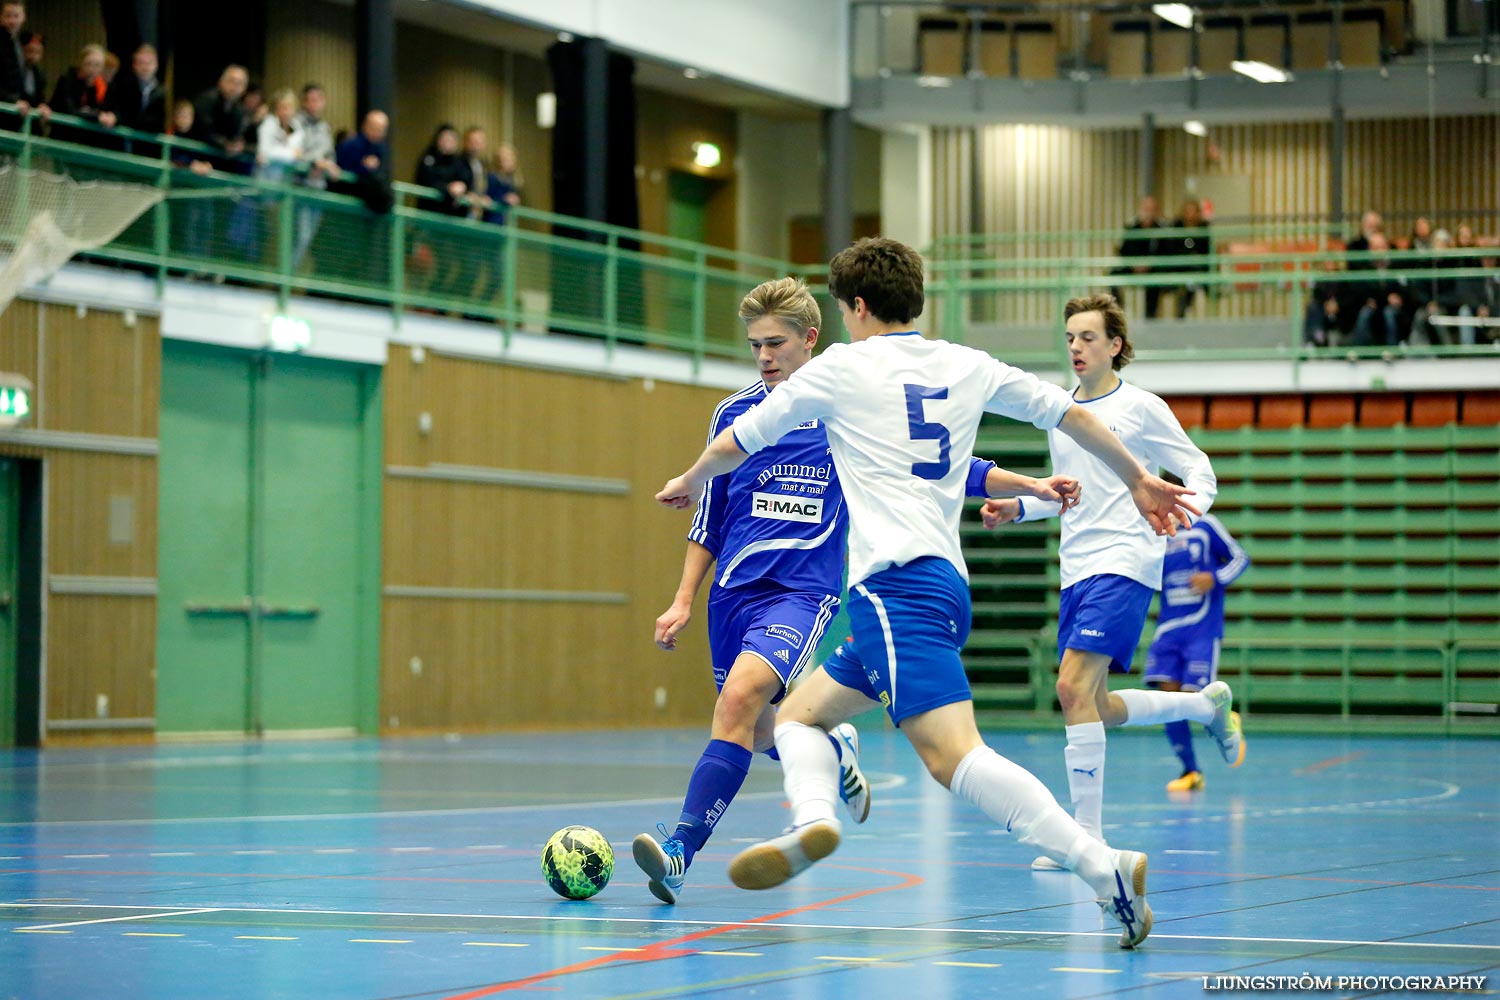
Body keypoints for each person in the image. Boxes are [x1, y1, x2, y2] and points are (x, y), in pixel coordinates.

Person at [658, 238, 1203, 949]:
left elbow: (739, 440)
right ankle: (815, 817)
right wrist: (1136, 475)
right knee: (797, 717)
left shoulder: (843, 370)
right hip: (943, 585)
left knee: (956, 759)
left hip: (892, 589)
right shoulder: (964, 363)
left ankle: (1103, 872)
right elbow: (1071, 416)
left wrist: (691, 478)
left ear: (855, 308)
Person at [635, 275, 1081, 906]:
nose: (764, 356)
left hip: (802, 592)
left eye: (775, 344)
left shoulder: (842, 402)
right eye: (755, 345)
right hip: (734, 590)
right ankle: (834, 742)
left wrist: (1029, 485)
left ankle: (679, 848)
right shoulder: (734, 416)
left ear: (809, 339)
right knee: (760, 728)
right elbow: (708, 519)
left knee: (739, 701)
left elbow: (949, 465)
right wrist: (682, 599)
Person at [980, 293, 1242, 873]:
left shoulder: (1143, 407)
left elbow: (1200, 471)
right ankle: (1203, 706)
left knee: (1071, 689)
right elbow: (1071, 498)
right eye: (1070, 336)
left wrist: (1182, 515)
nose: (1075, 346)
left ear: (1115, 346)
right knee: (1094, 703)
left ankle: (1088, 841)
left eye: (1088, 337)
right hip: (1076, 567)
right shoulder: (1061, 414)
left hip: (1126, 562)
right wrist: (1020, 509)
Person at [1142, 473, 1249, 792]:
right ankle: (1190, 771)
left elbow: (1240, 557)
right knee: (1168, 701)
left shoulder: (1207, 525)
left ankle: (1226, 720)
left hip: (1202, 628)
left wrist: (1214, 577)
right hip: (1168, 628)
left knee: (1194, 698)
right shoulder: (1155, 533)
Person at [47, 43, 116, 149]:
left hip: (90, 143)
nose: (92, 69)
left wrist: (112, 116)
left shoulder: (105, 87)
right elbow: (71, 110)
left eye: (97, 65)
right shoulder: (67, 81)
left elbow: (114, 111)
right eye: (88, 64)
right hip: (64, 139)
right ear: (81, 63)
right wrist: (98, 116)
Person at [104, 44, 166, 154]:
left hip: (148, 148)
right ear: (134, 65)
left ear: (156, 65)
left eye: (149, 63)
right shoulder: (122, 85)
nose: (145, 67)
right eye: (141, 63)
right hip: (122, 142)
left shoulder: (161, 92)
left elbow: (159, 124)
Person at [1112, 195, 1166, 319]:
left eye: (1151, 209)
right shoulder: (1131, 228)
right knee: (1113, 275)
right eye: (1146, 209)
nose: (1148, 212)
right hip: (1132, 267)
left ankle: (1150, 317)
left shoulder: (1161, 229)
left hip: (1153, 269)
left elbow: (1165, 251)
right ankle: (1118, 312)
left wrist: (1150, 263)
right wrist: (1134, 264)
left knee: (1156, 280)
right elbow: (1123, 251)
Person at [1163, 197, 1211, 318]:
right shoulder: (1177, 226)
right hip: (1181, 267)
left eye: (1193, 211)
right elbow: (1172, 249)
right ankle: (1181, 313)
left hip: (1198, 267)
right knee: (1186, 282)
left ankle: (1207, 314)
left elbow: (1207, 249)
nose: (1190, 214)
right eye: (1188, 211)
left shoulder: (1204, 228)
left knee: (1196, 279)